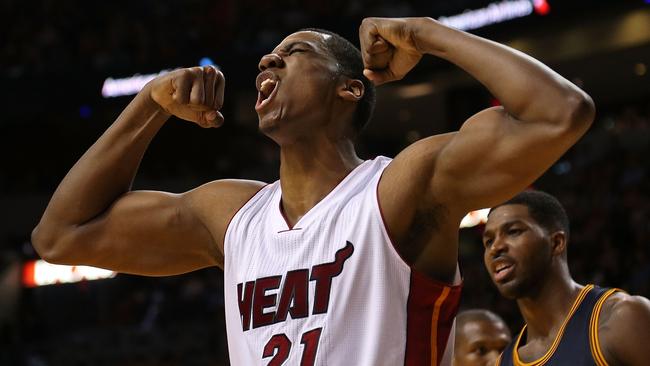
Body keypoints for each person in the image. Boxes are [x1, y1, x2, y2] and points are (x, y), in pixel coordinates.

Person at [32, 17, 594, 365]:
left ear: (349, 88)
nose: (267, 59)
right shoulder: (231, 215)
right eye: (269, 54)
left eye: (296, 51)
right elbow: (60, 235)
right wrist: (149, 104)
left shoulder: (401, 187)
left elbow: (559, 113)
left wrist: (423, 32)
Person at [482, 190, 650, 366]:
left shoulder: (622, 319)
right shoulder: (501, 363)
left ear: (556, 243)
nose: (495, 248)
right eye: (488, 241)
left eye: (513, 231)